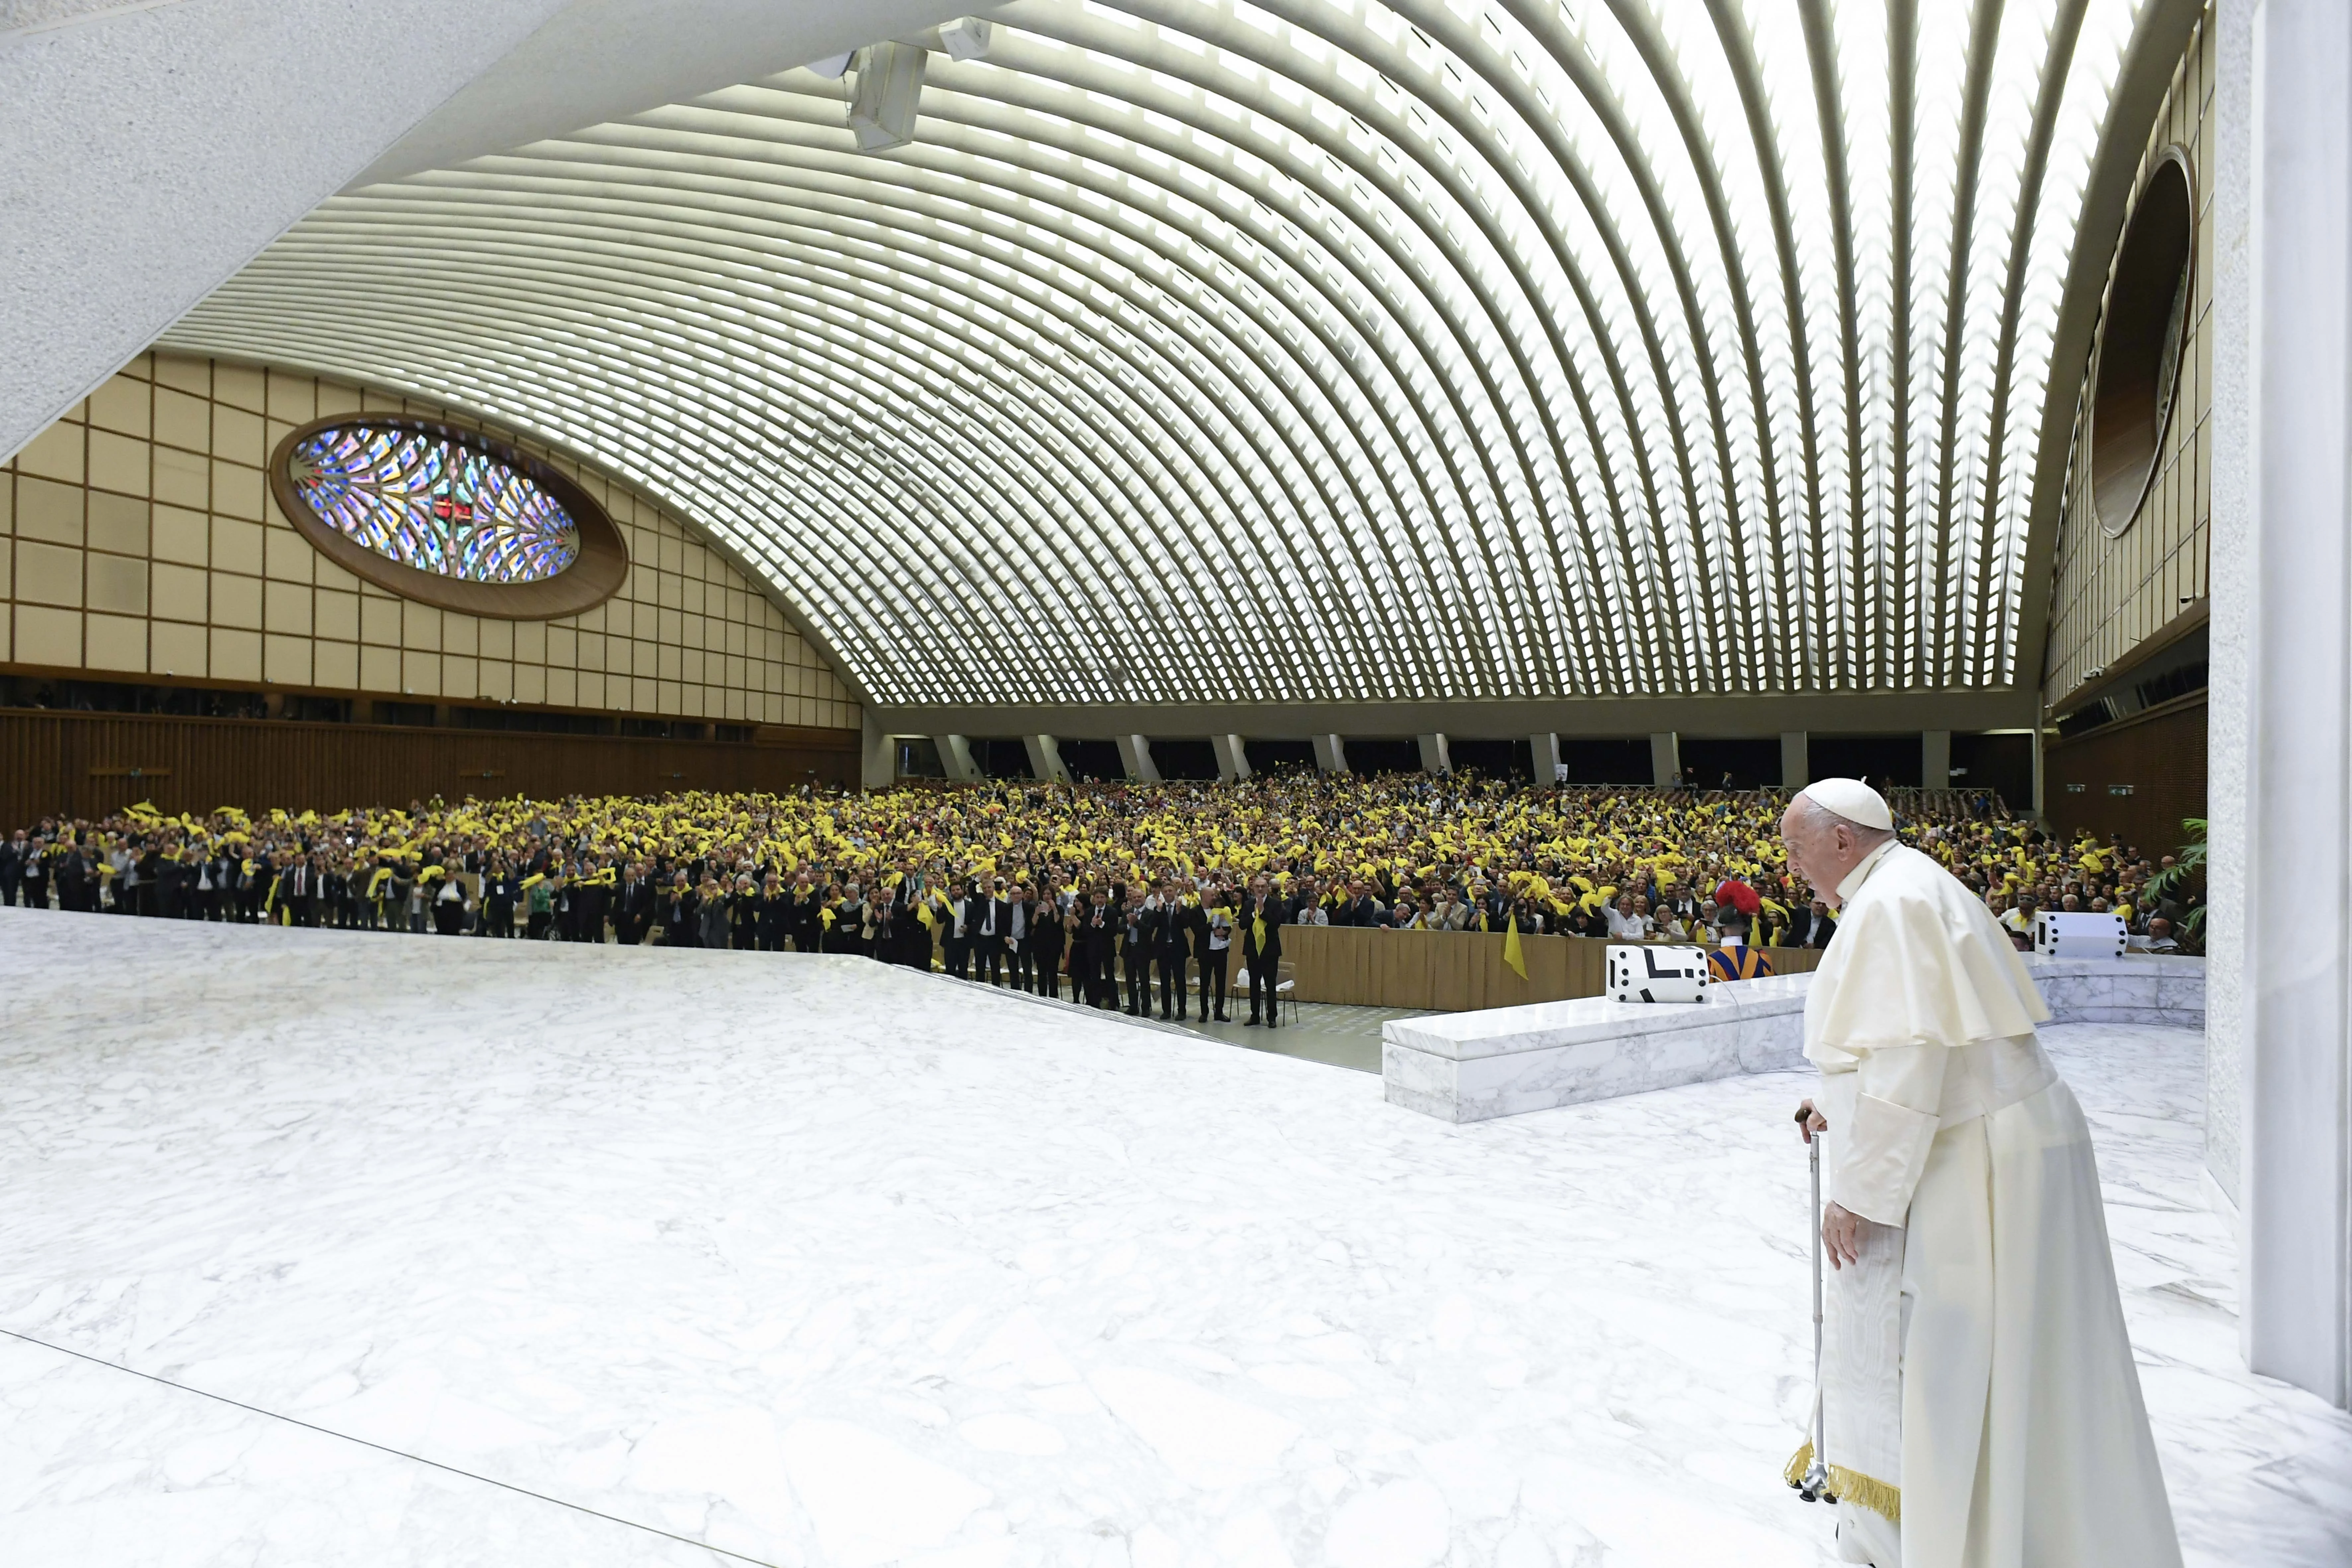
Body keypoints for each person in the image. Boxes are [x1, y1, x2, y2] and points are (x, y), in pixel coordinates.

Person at [1783, 778, 2180, 1568]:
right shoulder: (1910, 882)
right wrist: (1844, 1107)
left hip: (1984, 1156)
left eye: (1795, 849)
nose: (1790, 868)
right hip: (2000, 1134)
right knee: (2021, 1357)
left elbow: (1909, 1057)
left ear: (1839, 840)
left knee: (1963, 1351)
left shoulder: (1890, 903)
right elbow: (1921, 1048)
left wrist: (1856, 1195)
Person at [1238, 873, 1284, 1027]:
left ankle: (1272, 1017)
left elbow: (1276, 924)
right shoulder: (1248, 904)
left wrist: (1263, 911)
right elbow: (1242, 925)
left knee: (1270, 984)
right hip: (1253, 950)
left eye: (1263, 886)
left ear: (1268, 889)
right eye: (1257, 886)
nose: (1260, 889)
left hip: (1270, 950)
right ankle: (1255, 1015)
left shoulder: (1276, 904)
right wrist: (1254, 913)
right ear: (1253, 888)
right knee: (1255, 985)